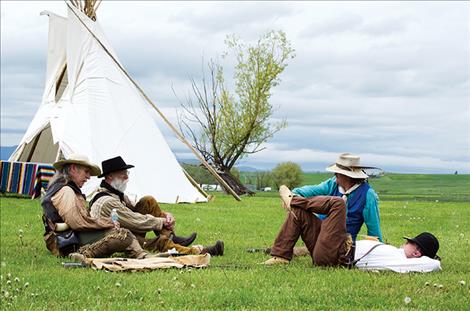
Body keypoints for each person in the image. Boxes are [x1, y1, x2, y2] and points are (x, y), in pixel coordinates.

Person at [263, 186, 441, 273]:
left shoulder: (408, 261)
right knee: (299, 214)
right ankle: (281, 256)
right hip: (333, 247)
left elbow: (433, 264)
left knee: (338, 204)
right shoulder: (399, 254)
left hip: (338, 253)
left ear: (417, 253)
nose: (405, 243)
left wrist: (430, 257)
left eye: (410, 242)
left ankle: (292, 199)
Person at [89, 156, 224, 256]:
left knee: (148, 201)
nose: (127, 177)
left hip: (125, 230)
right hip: (117, 239)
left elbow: (134, 210)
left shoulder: (116, 194)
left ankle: (172, 237)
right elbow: (134, 220)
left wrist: (166, 216)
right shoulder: (107, 201)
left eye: (127, 173)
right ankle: (200, 252)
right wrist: (161, 222)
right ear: (110, 176)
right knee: (160, 242)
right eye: (123, 174)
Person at [41, 154, 150, 261]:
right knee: (123, 235)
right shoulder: (66, 191)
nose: (88, 177)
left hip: (68, 238)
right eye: (86, 172)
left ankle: (142, 255)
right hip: (65, 242)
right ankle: (84, 254)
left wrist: (105, 224)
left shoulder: (66, 189)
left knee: (124, 234)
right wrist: (106, 223)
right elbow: (77, 222)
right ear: (73, 169)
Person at [286, 153, 383, 242]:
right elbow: (307, 191)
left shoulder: (367, 194)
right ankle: (281, 254)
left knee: (337, 203)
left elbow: (373, 229)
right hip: (319, 234)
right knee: (297, 212)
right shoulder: (332, 184)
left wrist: (378, 248)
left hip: (341, 243)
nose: (335, 178)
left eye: (336, 174)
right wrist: (291, 195)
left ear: (346, 176)